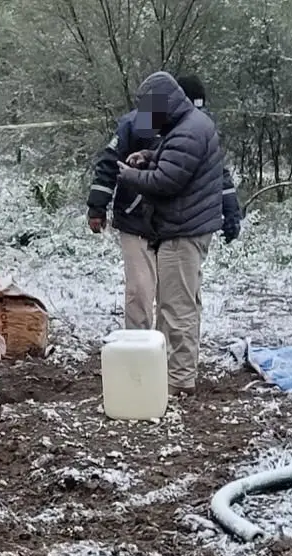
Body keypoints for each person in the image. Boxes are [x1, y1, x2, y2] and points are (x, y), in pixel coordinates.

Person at [115, 71, 225, 395]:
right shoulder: (187, 126)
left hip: (182, 231)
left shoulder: (188, 131)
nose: (147, 120)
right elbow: (173, 163)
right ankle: (171, 373)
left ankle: (178, 381)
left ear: (162, 104)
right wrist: (150, 156)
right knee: (178, 304)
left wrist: (131, 175)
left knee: (177, 309)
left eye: (150, 111)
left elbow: (167, 182)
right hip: (184, 228)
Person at [86, 110, 159, 329]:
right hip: (135, 220)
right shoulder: (137, 122)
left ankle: (168, 353)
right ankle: (137, 348)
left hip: (176, 224)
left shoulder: (190, 124)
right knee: (139, 291)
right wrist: (97, 206)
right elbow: (110, 163)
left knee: (174, 298)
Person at [175, 75, 241, 244]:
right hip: (194, 225)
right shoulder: (207, 127)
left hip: (180, 226)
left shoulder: (177, 129)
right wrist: (231, 212)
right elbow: (220, 172)